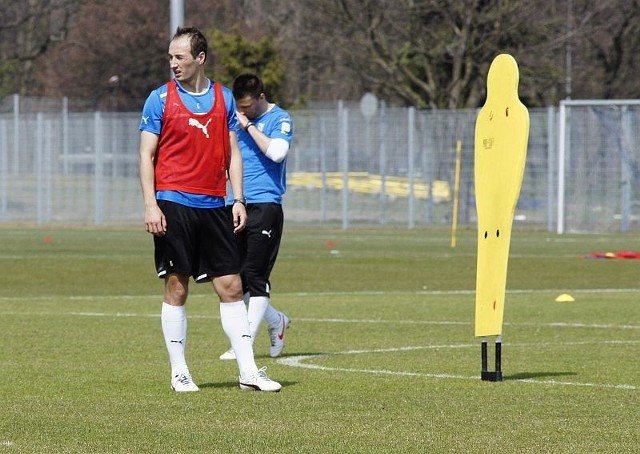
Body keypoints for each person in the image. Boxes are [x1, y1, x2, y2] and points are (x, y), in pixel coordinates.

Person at [138, 28, 281, 392]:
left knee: (232, 286)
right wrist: (151, 204)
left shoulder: (225, 98)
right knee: (177, 286)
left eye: (180, 57)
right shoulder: (160, 99)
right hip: (173, 202)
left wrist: (238, 199)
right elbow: (145, 155)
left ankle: (248, 372)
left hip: (215, 203)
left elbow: (233, 153)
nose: (173, 64)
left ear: (200, 58)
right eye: (170, 57)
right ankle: (179, 372)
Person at [218, 73, 293, 361]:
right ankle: (276, 322)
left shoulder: (280, 118)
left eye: (248, 107)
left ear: (261, 98)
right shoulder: (231, 118)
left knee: (256, 275)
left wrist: (248, 125)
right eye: (240, 107)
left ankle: (242, 343)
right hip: (234, 203)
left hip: (265, 205)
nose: (243, 112)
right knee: (234, 278)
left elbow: (277, 152)